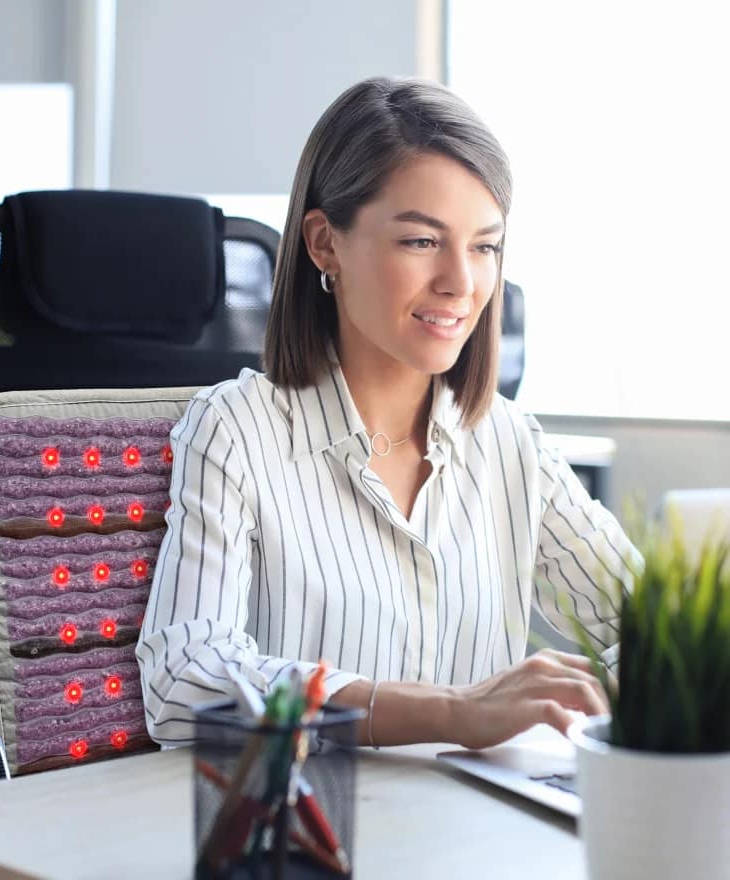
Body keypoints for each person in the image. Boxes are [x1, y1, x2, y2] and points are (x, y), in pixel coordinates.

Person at [136, 76, 637, 750]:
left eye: (485, 246)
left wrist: (641, 689)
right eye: (422, 242)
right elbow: (185, 682)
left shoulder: (511, 444)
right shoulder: (238, 430)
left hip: (480, 840)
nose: (462, 282)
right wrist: (445, 713)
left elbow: (650, 629)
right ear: (325, 244)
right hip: (311, 835)